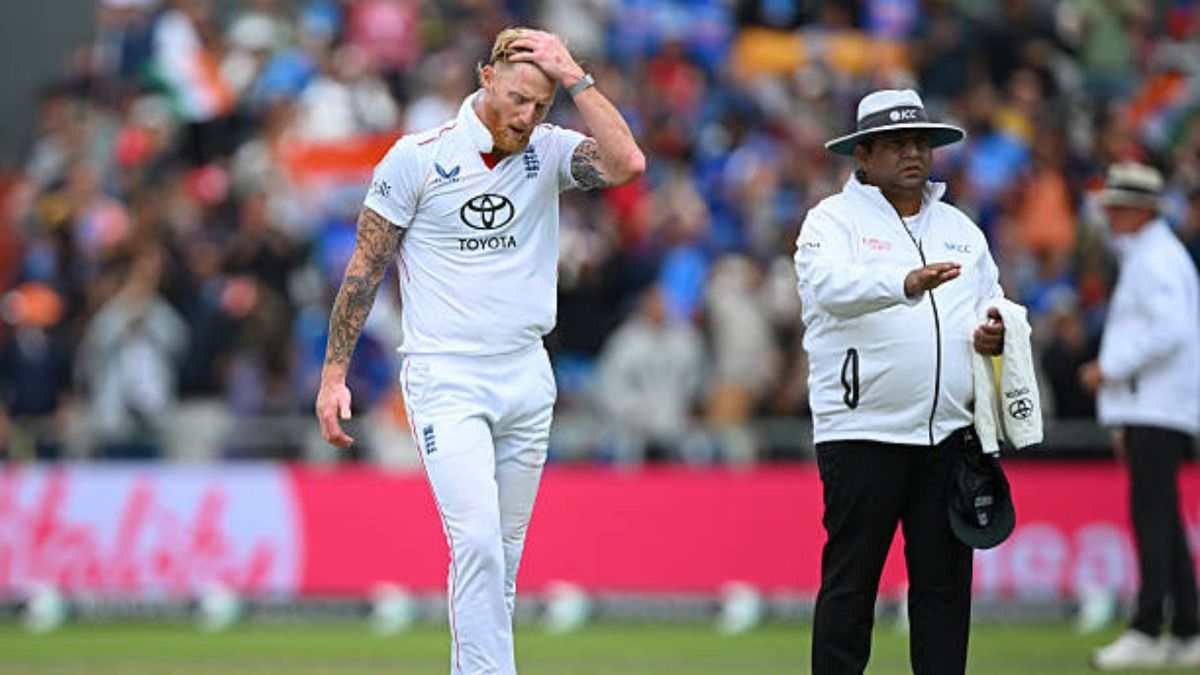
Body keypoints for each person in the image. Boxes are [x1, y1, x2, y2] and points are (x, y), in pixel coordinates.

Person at [314, 27, 644, 675]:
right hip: (447, 376)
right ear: (485, 76)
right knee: (477, 546)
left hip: (527, 371)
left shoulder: (548, 150)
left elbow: (628, 164)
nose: (526, 116)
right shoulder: (416, 157)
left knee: (505, 559)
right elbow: (364, 269)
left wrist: (574, 77)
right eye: (518, 98)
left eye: (540, 106)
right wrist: (333, 376)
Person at [793, 89, 1008, 675]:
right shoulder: (830, 222)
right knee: (851, 587)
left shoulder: (962, 229)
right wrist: (904, 282)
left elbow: (994, 304)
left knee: (943, 593)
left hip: (948, 437)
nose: (913, 153)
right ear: (863, 156)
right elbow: (829, 290)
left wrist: (995, 332)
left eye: (920, 142)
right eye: (896, 144)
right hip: (864, 432)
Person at [1082, 162, 1200, 669]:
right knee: (1163, 518)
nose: (1108, 214)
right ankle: (1188, 627)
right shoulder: (1152, 256)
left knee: (1152, 516)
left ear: (1137, 210)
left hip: (1157, 404)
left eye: (1115, 206)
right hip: (1151, 404)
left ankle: (1148, 626)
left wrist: (1109, 369)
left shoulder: (1157, 260)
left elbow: (1169, 331)